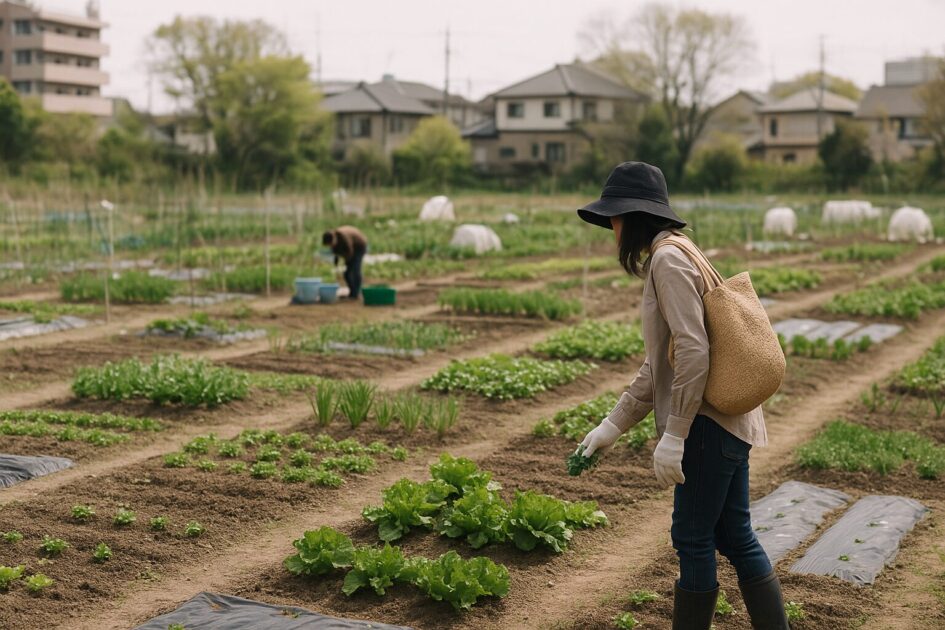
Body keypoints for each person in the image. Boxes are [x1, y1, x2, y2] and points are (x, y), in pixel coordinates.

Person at [576, 162, 789, 630]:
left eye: (613, 217)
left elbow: (693, 352)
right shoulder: (683, 250)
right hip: (731, 422)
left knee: (692, 537)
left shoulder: (667, 261)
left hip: (706, 428)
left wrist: (675, 435)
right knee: (735, 536)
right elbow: (664, 361)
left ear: (631, 216)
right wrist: (613, 425)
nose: (611, 228)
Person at [322, 226, 367, 300]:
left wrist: (347, 263)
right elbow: (336, 253)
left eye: (331, 244)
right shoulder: (333, 239)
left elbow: (350, 252)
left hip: (359, 246)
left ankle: (356, 293)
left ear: (334, 239)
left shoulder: (344, 237)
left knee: (355, 270)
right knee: (346, 274)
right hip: (351, 248)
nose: (330, 246)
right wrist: (336, 262)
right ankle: (352, 292)